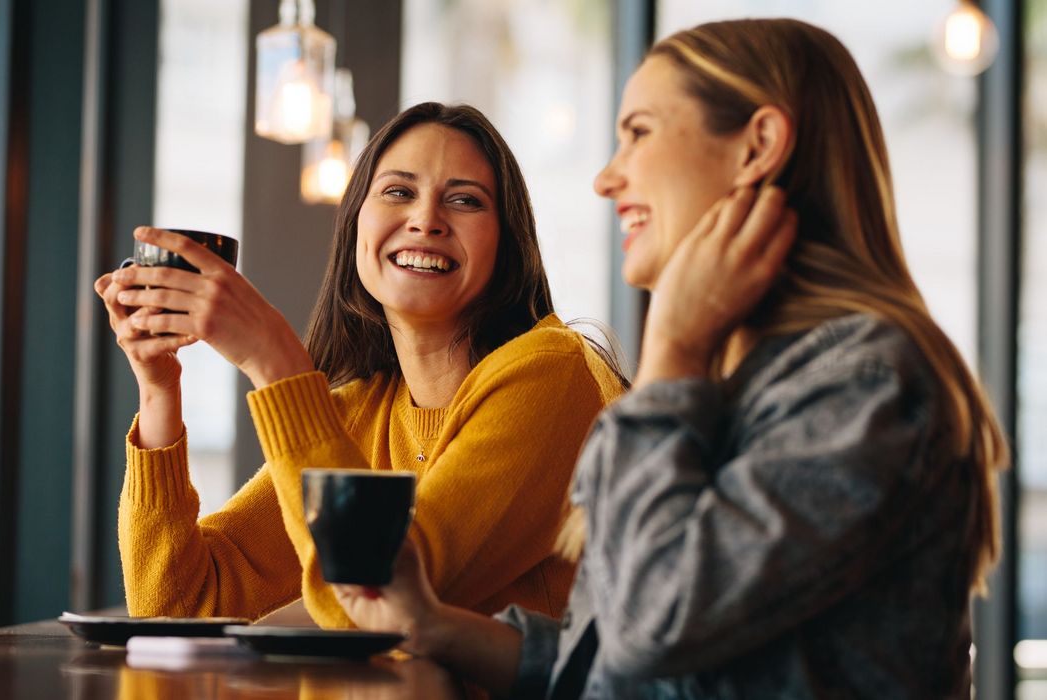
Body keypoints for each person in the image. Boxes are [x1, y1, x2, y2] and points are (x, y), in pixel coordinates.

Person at [330, 19, 1008, 699]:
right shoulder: (739, 381)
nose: (606, 177)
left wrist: (672, 352)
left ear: (758, 147)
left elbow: (657, 625)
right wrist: (433, 626)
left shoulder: (864, 382)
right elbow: (627, 667)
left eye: (640, 132)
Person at [94, 102, 628, 629]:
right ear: (355, 227)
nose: (426, 220)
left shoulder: (550, 374)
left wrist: (273, 359)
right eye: (399, 192)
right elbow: (180, 607)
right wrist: (159, 389)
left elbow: (382, 599)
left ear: (507, 244)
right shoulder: (360, 414)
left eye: (465, 201)